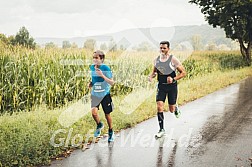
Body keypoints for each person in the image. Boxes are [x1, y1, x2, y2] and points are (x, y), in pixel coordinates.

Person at [148, 41, 186, 138]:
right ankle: (161, 129)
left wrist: (173, 79)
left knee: (171, 110)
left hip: (172, 87)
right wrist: (151, 77)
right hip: (161, 86)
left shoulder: (173, 59)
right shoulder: (157, 60)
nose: (162, 50)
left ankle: (175, 107)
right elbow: (154, 72)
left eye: (164, 48)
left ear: (168, 49)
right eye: (160, 48)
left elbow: (183, 73)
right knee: (159, 106)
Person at [89, 50, 115, 142]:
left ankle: (111, 131)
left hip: (105, 94)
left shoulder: (106, 68)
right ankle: (99, 124)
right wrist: (91, 83)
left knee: (107, 114)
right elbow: (94, 79)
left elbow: (112, 83)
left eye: (96, 58)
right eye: (94, 57)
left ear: (102, 59)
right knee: (94, 113)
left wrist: (102, 76)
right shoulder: (92, 67)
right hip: (95, 94)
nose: (94, 59)